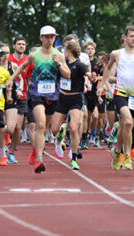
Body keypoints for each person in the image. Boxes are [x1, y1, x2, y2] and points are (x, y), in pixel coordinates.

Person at [6, 25, 70, 174]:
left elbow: (67, 75)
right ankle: (40, 160)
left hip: (54, 96)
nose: (49, 39)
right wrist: (11, 79)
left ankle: (36, 149)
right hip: (37, 94)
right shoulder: (34, 55)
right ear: (41, 38)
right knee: (40, 125)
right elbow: (22, 67)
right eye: (46, 36)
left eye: (52, 36)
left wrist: (59, 64)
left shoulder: (59, 55)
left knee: (51, 128)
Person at [98, 26, 134, 171]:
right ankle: (126, 155)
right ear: (125, 38)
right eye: (132, 36)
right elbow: (108, 70)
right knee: (128, 122)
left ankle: (117, 152)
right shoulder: (116, 54)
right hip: (120, 93)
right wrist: (101, 86)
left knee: (124, 126)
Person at [51, 41, 91, 170]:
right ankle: (58, 138)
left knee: (74, 128)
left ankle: (73, 158)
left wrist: (91, 78)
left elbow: (88, 74)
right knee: (54, 129)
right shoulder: (62, 64)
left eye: (64, 50)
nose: (63, 53)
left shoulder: (79, 64)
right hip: (62, 98)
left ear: (68, 51)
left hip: (75, 98)